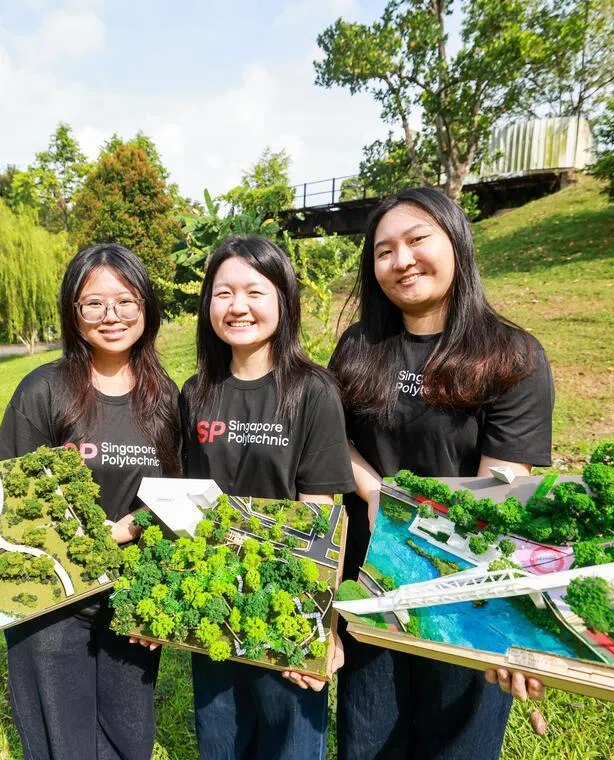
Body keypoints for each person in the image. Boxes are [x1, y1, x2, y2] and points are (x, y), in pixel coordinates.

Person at [328, 188, 554, 760]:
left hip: (465, 587)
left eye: (417, 240)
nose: (401, 260)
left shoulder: (511, 356)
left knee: (457, 743)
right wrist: (376, 493)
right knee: (369, 738)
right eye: (383, 251)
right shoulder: (359, 346)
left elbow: (500, 495)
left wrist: (515, 625)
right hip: (372, 577)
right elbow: (334, 440)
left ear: (456, 241)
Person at [0, 243, 181, 760]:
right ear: (73, 312)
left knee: (129, 735)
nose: (111, 316)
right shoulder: (43, 390)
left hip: (132, 594)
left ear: (146, 307)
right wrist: (106, 533)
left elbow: (177, 497)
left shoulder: (166, 397)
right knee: (62, 740)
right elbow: (11, 501)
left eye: (126, 301)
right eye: (94, 303)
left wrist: (152, 571)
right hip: (53, 596)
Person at [179, 235, 354, 760]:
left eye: (255, 291)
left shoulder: (313, 391)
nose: (238, 306)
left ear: (283, 300)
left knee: (290, 743)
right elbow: (188, 501)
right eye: (223, 293)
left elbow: (322, 519)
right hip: (212, 601)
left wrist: (320, 626)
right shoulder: (196, 392)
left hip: (287, 603)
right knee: (221, 741)